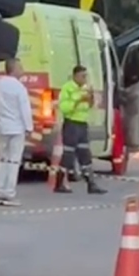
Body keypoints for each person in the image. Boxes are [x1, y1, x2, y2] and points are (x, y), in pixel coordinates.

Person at [56, 65, 106, 194]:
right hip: (71, 124)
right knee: (68, 154)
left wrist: (91, 99)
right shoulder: (67, 88)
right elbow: (64, 107)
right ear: (75, 76)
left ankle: (91, 184)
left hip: (83, 124)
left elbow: (90, 106)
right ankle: (59, 183)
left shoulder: (86, 88)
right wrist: (79, 100)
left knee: (85, 154)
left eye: (86, 76)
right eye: (82, 76)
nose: (85, 79)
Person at [0, 59, 33, 206]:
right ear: (14, 68)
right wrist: (29, 127)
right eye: (20, 67)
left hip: (3, 127)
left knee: (2, 160)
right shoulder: (19, 88)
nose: (22, 69)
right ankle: (9, 193)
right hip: (17, 128)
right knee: (14, 161)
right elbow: (25, 110)